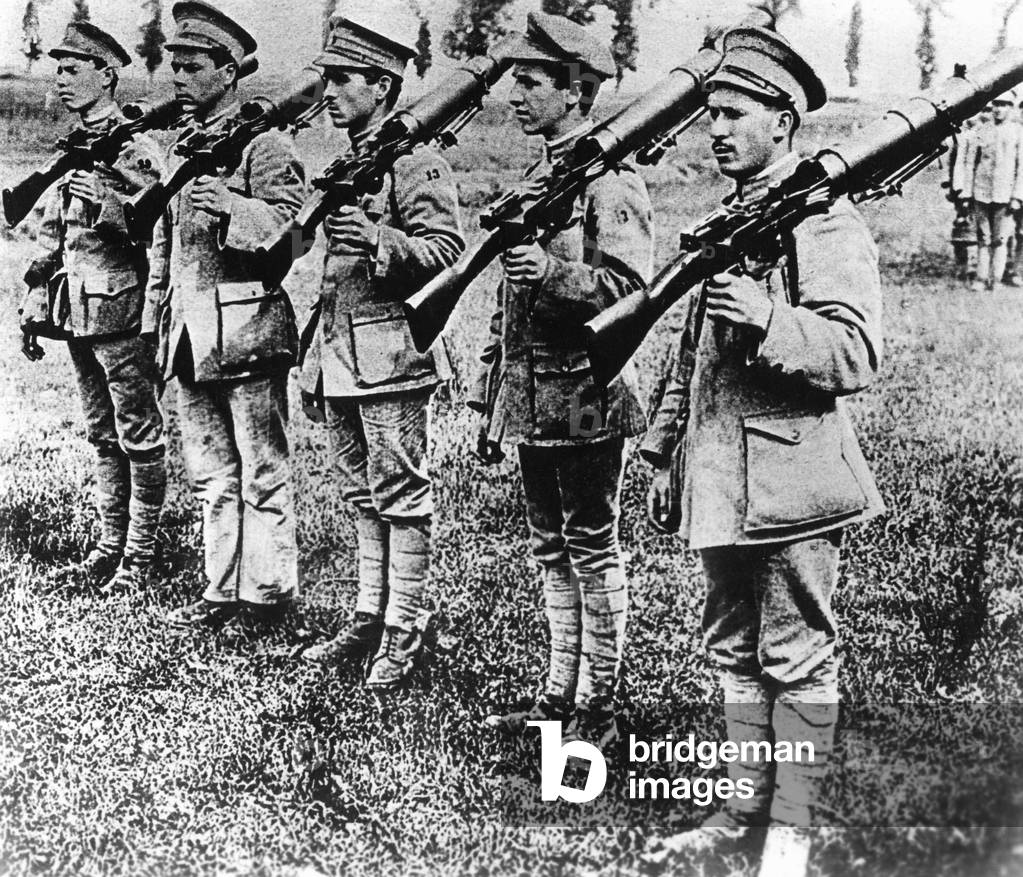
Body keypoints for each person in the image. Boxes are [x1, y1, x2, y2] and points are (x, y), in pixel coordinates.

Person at [641, 26, 884, 876]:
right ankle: (742, 803)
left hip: (791, 477)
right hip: (717, 476)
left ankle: (791, 827)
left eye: (734, 113)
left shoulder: (820, 221)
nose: (714, 130)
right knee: (731, 647)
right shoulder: (732, 217)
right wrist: (665, 445)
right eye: (708, 113)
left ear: (783, 122)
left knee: (796, 652)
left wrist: (771, 320)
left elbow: (854, 353)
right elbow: (689, 350)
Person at [477, 12, 653, 747]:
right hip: (532, 389)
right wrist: (489, 392)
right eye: (514, 78)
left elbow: (634, 290)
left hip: (585, 389)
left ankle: (599, 703)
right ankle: (557, 694)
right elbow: (504, 302)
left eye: (531, 81)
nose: (513, 93)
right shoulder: (541, 172)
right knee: (548, 543)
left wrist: (552, 274)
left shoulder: (608, 181)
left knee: (590, 539)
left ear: (576, 91)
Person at [297, 17, 465, 689]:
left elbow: (445, 256)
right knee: (359, 493)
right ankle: (368, 614)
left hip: (392, 355)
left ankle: (405, 625)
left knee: (400, 494)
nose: (328, 91)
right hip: (341, 353)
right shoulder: (348, 159)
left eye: (342, 79)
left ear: (383, 85)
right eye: (327, 77)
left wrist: (376, 236)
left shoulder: (417, 161)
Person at [144, 1, 307, 633]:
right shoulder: (185, 145)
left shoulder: (265, 146)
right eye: (173, 66)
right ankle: (221, 592)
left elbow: (298, 241)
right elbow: (168, 249)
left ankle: (267, 597)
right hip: (190, 333)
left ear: (229, 71)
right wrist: (160, 323)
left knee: (263, 470)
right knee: (213, 472)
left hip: (247, 331)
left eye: (192, 66)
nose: (178, 78)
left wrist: (236, 209)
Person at [25, 21, 166, 593]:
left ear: (107, 75)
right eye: (58, 69)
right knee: (101, 433)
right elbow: (49, 236)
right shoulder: (72, 147)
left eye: (73, 70)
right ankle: (109, 547)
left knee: (139, 433)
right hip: (76, 309)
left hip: (123, 310)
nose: (62, 81)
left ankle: (141, 555)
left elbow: (160, 230)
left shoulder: (136, 147)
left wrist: (110, 204)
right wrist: (35, 297)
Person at [961, 91, 1022, 291]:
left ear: (1011, 108)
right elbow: (970, 163)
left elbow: (1021, 167)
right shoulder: (981, 130)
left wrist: (1017, 196)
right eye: (996, 104)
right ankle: (980, 278)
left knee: (1000, 239)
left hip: (1005, 195)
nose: (998, 109)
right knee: (983, 238)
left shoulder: (1018, 132)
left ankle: (995, 280)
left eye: (1004, 105)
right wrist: (967, 193)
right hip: (981, 192)